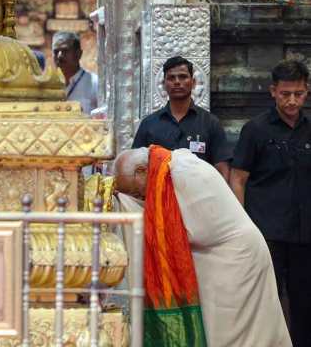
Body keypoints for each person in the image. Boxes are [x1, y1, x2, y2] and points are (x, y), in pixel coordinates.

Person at [115, 146, 291, 347]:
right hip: (217, 258)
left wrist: (139, 216)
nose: (140, 198)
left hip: (237, 259)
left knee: (235, 334)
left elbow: (194, 230)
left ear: (141, 170)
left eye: (136, 192)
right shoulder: (165, 171)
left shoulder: (184, 172)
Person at [229, 59, 311, 347]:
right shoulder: (256, 130)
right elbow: (238, 178)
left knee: (305, 304)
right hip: (266, 234)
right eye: (285, 93)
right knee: (267, 302)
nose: (291, 100)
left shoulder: (309, 129)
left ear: (307, 92)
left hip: (305, 235)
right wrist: (241, 229)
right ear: (273, 91)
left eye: (298, 94)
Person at [132, 56, 230, 179]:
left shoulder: (210, 123)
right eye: (171, 78)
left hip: (199, 195)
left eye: (183, 77)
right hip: (158, 196)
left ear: (193, 82)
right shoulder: (149, 124)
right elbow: (136, 166)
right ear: (164, 84)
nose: (177, 82)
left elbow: (222, 168)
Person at [51, 31, 98, 114]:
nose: (59, 56)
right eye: (56, 51)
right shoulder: (48, 85)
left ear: (78, 54)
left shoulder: (95, 83)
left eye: (65, 51)